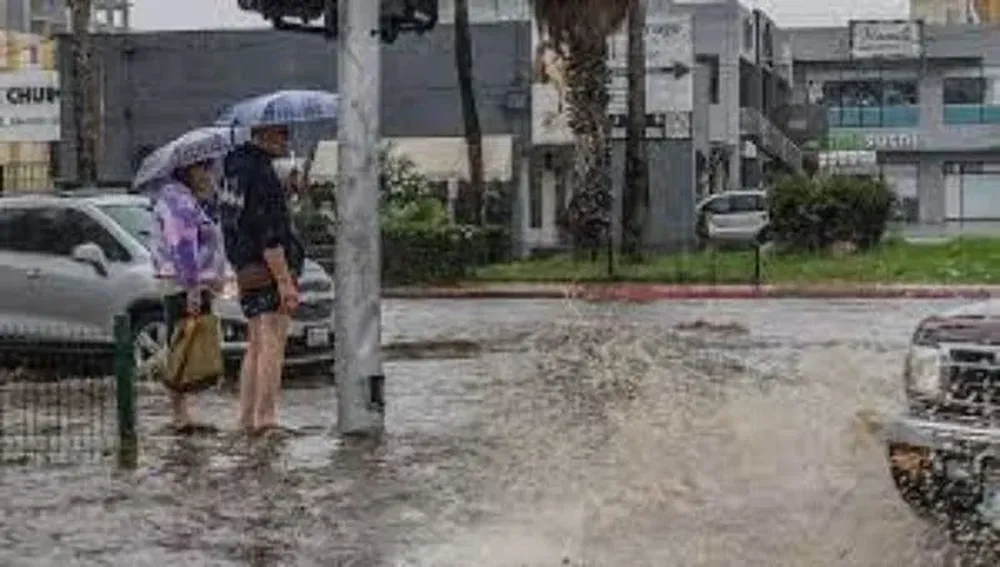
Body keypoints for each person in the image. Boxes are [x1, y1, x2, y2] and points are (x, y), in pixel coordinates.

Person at [220, 123, 304, 437]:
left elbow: (231, 223)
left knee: (255, 343)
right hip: (267, 267)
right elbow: (269, 232)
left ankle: (246, 416)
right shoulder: (261, 174)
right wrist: (284, 280)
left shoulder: (233, 173)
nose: (287, 140)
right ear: (263, 135)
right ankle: (266, 416)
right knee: (272, 342)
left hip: (245, 267)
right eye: (282, 133)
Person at [149, 159, 228, 433]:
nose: (208, 174)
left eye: (209, 168)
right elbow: (183, 247)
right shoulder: (178, 202)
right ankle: (179, 413)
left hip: (184, 282)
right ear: (187, 170)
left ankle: (182, 411)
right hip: (184, 283)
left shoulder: (184, 200)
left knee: (184, 341)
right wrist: (194, 287)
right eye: (203, 169)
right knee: (183, 343)